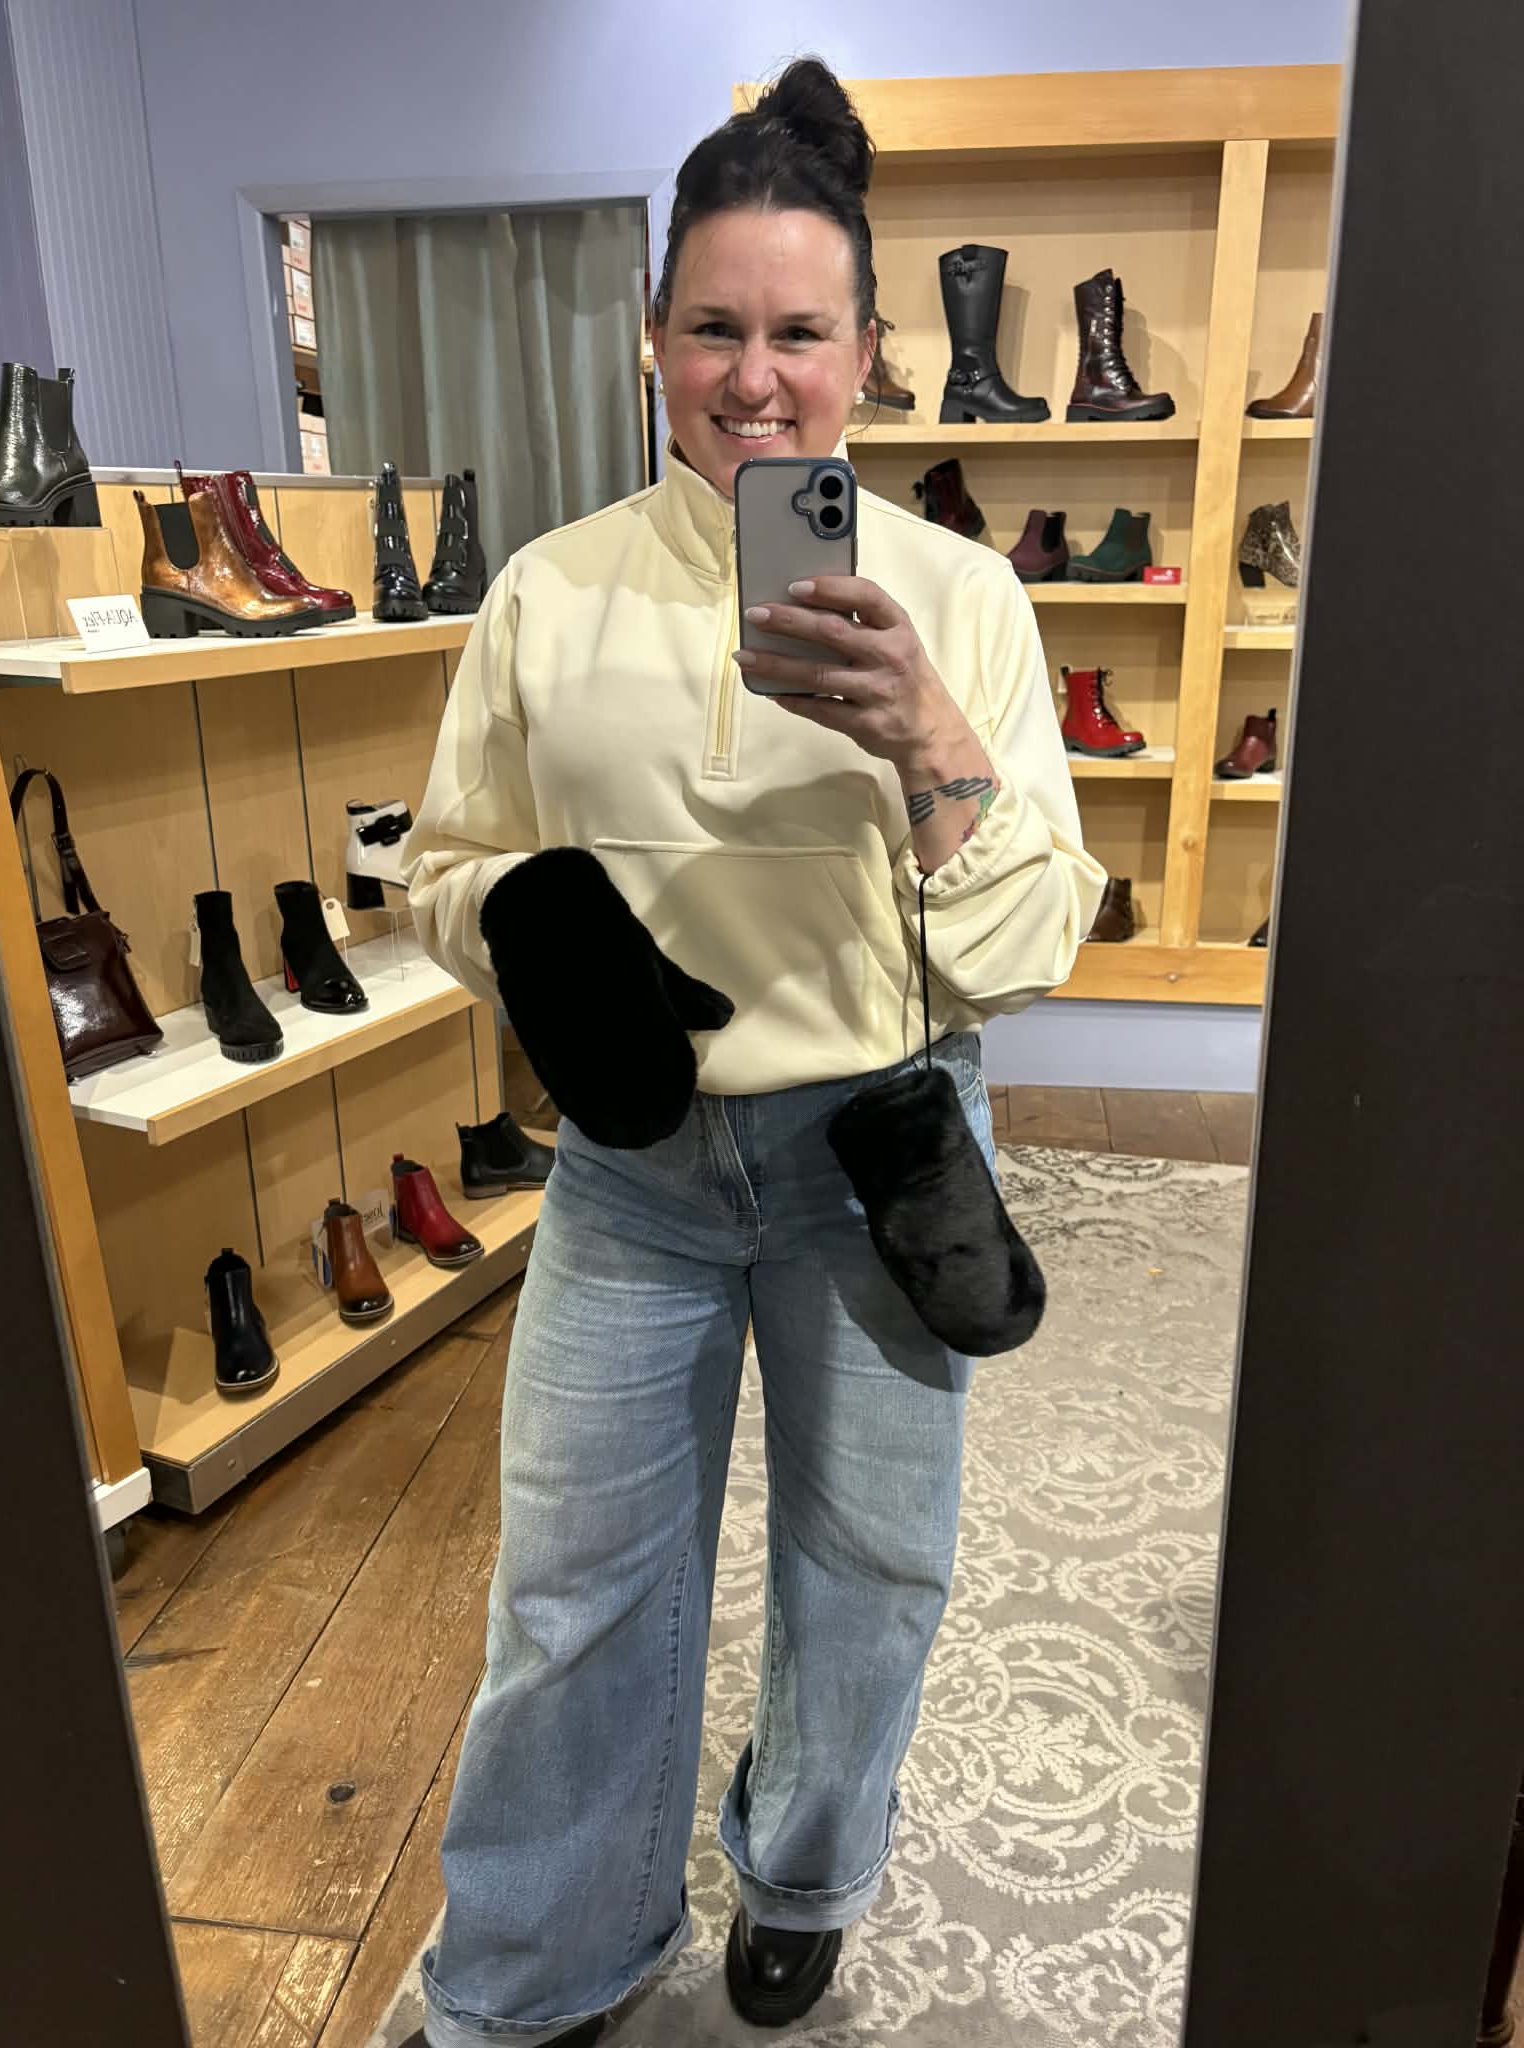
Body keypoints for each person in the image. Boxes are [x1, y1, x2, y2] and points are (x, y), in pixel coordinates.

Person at [400, 55, 1105, 2048]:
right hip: (633, 1167)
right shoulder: (545, 592)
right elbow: (447, 869)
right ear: (654, 341)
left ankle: (802, 1874)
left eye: (803, 333)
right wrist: (535, 929)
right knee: (573, 1594)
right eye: (715, 327)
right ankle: (536, 1964)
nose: (756, 378)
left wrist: (929, 737)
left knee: (869, 1567)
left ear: (868, 355)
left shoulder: (962, 598)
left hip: (880, 1159)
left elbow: (1035, 938)